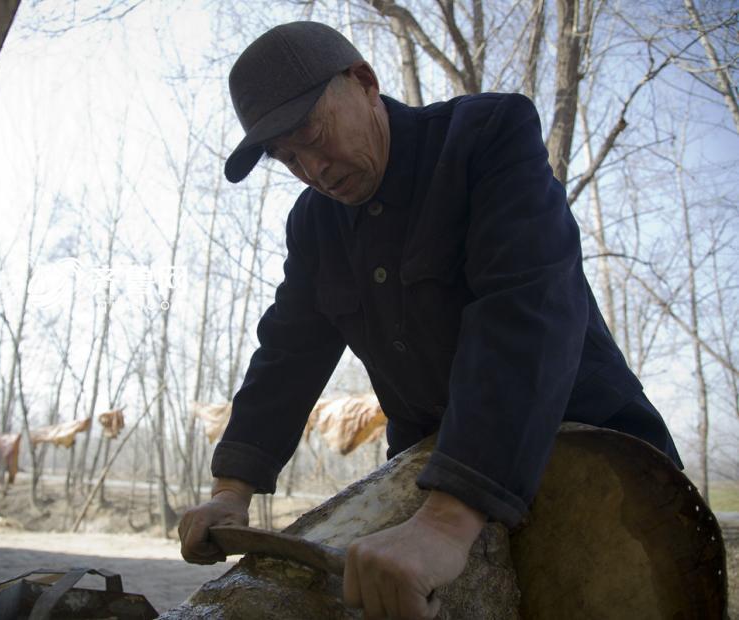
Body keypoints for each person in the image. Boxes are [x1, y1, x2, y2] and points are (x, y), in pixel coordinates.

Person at [178, 21, 683, 619]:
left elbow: (524, 312)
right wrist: (231, 491)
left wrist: (448, 518)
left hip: (601, 468)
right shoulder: (315, 225)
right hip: (429, 477)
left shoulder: (488, 136)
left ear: (364, 82)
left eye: (311, 132)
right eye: (286, 158)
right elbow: (286, 355)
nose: (311, 167)